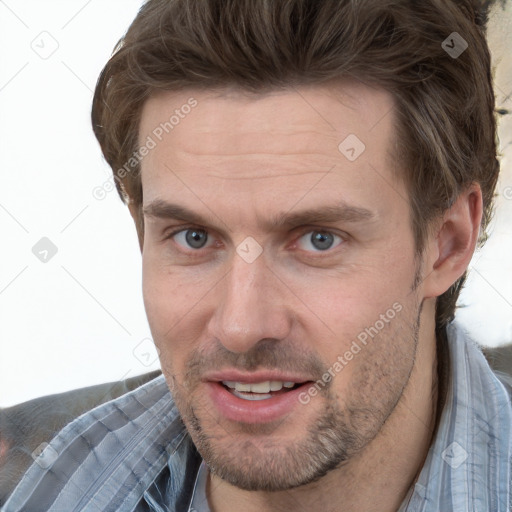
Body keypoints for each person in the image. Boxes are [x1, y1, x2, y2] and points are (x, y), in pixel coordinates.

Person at [3, 0, 511, 510]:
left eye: (318, 240)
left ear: (447, 243)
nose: (241, 327)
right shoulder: (41, 487)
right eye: (193, 237)